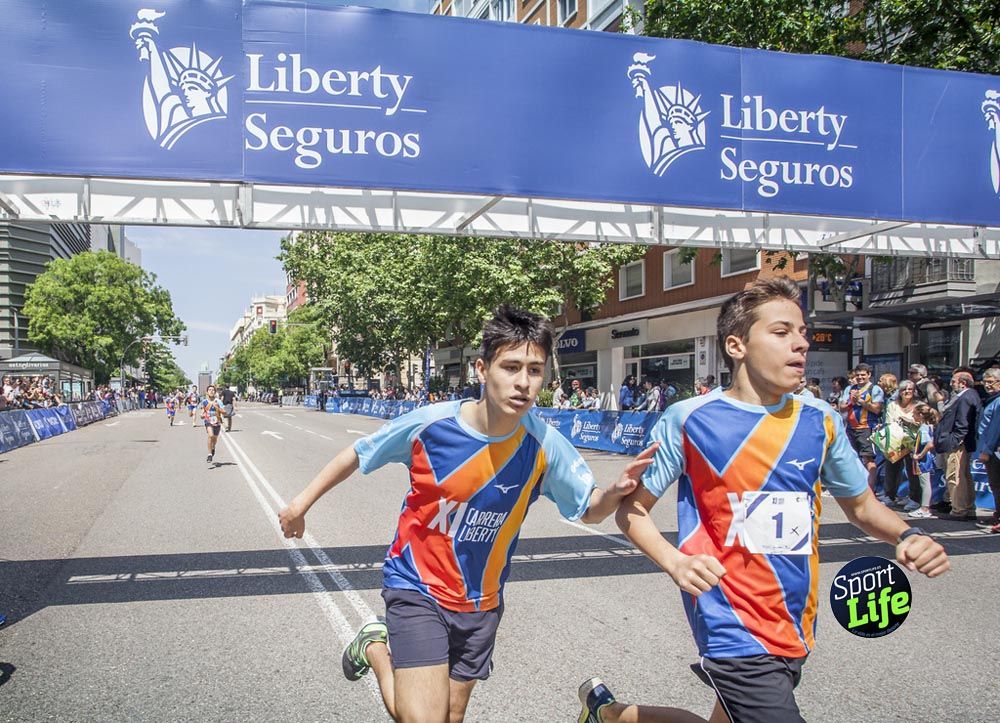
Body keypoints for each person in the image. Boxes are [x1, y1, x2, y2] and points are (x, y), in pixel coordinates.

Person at [578, 277, 949, 723]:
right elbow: (632, 511)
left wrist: (907, 534)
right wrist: (675, 562)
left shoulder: (822, 421)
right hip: (728, 619)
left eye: (803, 333)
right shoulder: (690, 419)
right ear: (736, 345)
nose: (801, 344)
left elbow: (863, 508)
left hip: (793, 620)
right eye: (781, 332)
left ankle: (608, 714)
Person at [278, 306, 656, 723]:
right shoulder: (432, 425)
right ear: (481, 368)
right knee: (421, 718)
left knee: (450, 716)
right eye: (510, 367)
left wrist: (615, 492)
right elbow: (359, 452)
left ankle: (371, 641)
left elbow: (588, 510)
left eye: (534, 370)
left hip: (481, 603)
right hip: (416, 587)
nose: (523, 383)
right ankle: (376, 650)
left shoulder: (544, 444)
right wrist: (300, 505)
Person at [934, 370, 982, 522]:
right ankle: (967, 507)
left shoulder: (966, 397)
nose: (951, 384)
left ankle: (958, 510)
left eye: (953, 381)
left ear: (963, 383)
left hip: (958, 444)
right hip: (961, 442)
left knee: (955, 476)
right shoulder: (967, 396)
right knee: (964, 476)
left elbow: (963, 422)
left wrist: (954, 440)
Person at [839, 363, 884, 489]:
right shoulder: (849, 389)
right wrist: (850, 402)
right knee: (852, 459)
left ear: (869, 375)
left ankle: (870, 489)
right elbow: (842, 408)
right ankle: (856, 487)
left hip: (866, 428)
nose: (860, 377)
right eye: (857, 375)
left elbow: (877, 409)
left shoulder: (875, 389)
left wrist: (860, 401)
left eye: (863, 375)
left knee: (868, 459)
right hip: (850, 428)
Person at [879, 379, 920, 509]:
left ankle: (914, 498)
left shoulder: (919, 405)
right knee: (892, 469)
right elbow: (890, 421)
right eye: (904, 389)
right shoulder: (892, 404)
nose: (907, 392)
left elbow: (921, 423)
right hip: (895, 440)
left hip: (913, 442)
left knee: (912, 471)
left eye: (910, 389)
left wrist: (906, 421)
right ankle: (889, 495)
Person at [974, 368, 1000, 532]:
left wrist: (987, 450)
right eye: (986, 382)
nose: (988, 385)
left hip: (995, 451)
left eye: (992, 382)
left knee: (997, 485)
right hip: (991, 449)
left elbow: (996, 429)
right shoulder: (992, 400)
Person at [908, 404, 939, 519]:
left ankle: (925, 508)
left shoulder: (924, 428)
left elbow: (929, 443)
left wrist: (919, 455)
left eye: (914, 414)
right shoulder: (928, 426)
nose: (912, 416)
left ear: (920, 415)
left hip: (924, 460)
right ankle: (925, 507)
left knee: (925, 483)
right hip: (926, 459)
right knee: (925, 483)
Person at [200, 385, 226, 463]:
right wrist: (201, 415)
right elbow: (202, 412)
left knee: (214, 438)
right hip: (208, 421)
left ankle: (213, 447)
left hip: (217, 421)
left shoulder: (218, 401)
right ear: (207, 392)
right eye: (210, 390)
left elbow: (224, 412)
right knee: (210, 435)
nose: (211, 391)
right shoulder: (204, 401)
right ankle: (209, 454)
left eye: (213, 390)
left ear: (215, 392)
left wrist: (217, 407)